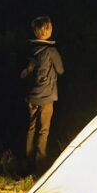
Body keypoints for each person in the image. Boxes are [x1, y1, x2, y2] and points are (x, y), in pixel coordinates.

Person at [20, 15, 64, 172]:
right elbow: (60, 70)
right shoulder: (51, 51)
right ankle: (40, 164)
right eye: (50, 27)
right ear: (47, 31)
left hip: (32, 96)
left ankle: (28, 162)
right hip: (47, 97)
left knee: (31, 127)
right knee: (43, 129)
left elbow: (25, 73)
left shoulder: (31, 51)